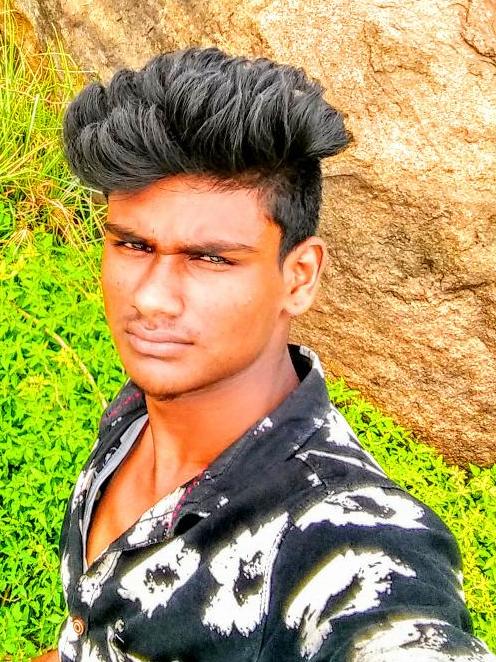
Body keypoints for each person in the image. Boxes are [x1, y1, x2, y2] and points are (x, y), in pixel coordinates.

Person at [35, 48, 495, 662]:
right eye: (133, 245)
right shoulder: (140, 413)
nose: (150, 298)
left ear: (299, 277)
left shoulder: (347, 542)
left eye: (210, 258)